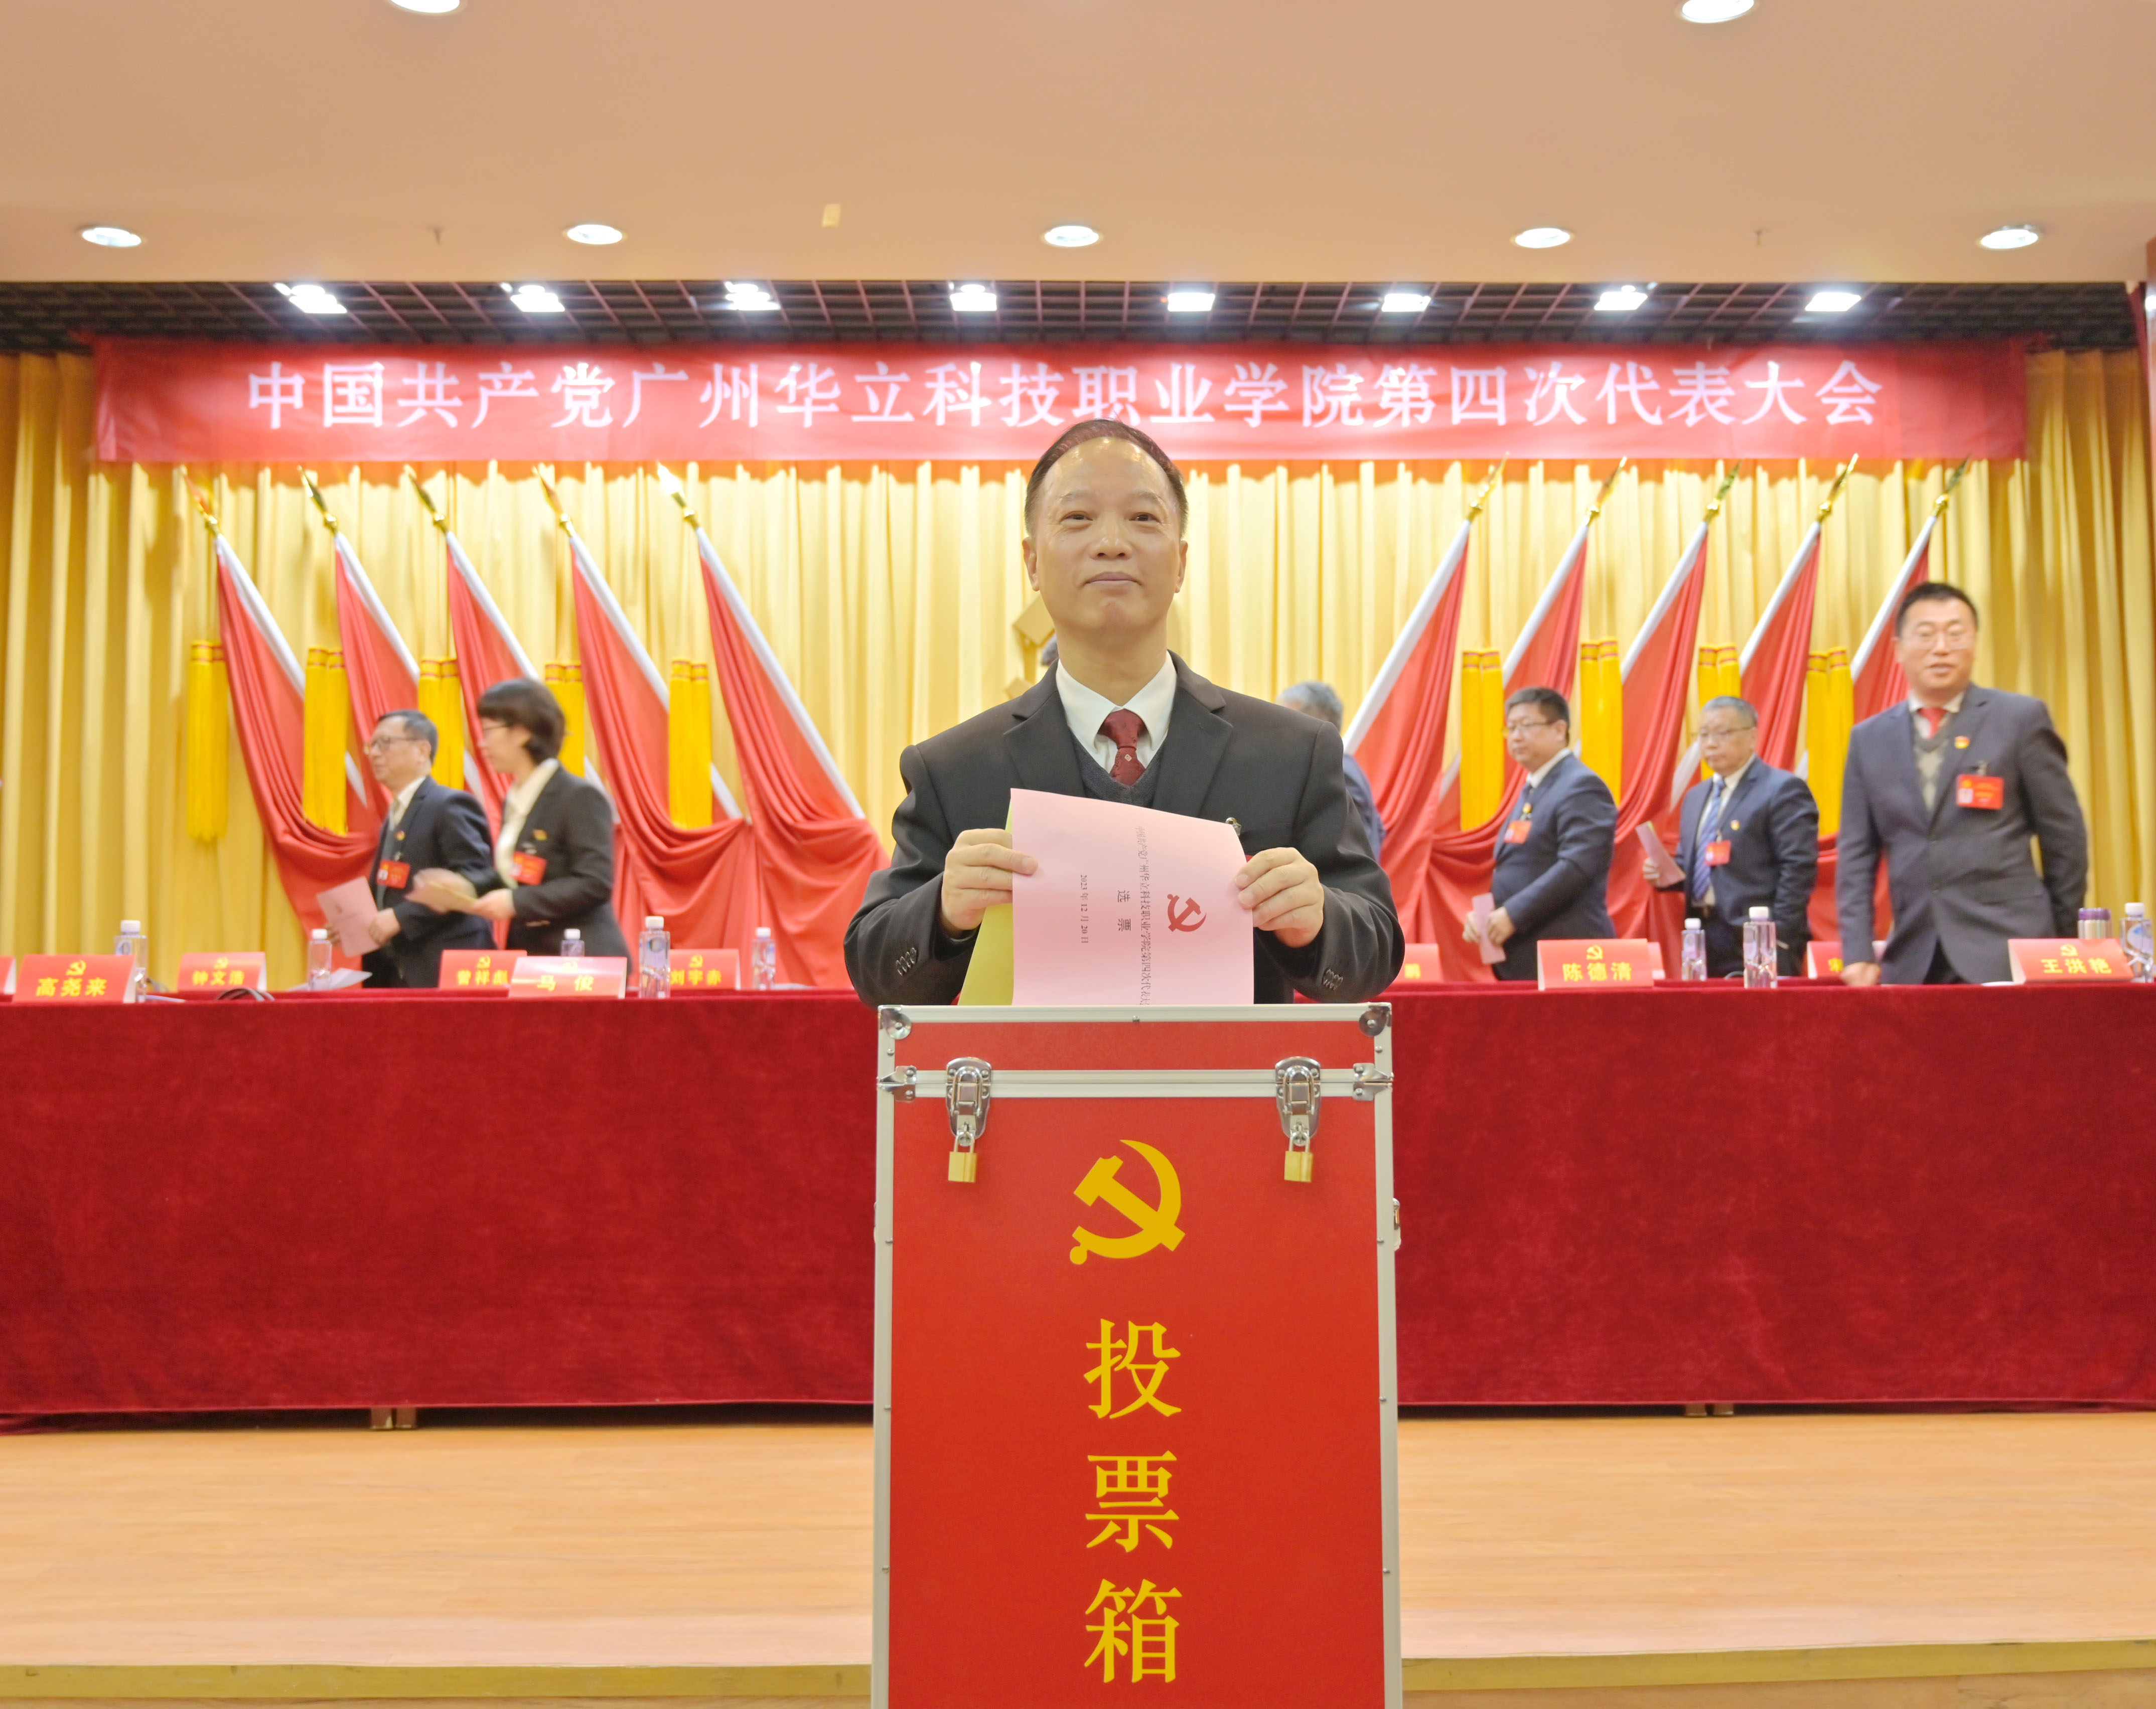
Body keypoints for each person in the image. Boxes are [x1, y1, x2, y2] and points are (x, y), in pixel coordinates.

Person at [844, 419, 1402, 1005]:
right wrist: (942, 913)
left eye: (1142, 517)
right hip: (1030, 1071)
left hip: (1234, 1069)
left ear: (1181, 562)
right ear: (1031, 562)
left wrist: (1316, 922)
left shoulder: (1291, 752)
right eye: (1077, 517)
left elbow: (1373, 948)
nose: (1111, 542)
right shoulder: (954, 767)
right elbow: (876, 970)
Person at [1837, 582, 2086, 986]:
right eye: (1925, 634)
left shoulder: (2019, 720)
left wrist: (2059, 940)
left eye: (1955, 634)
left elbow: (2064, 837)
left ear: (1974, 644)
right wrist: (1857, 951)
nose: (1941, 648)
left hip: (2010, 951)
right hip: (1914, 958)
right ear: (1898, 649)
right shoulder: (1869, 739)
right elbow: (1855, 854)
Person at [418, 678, 630, 960]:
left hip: (580, 956)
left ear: (521, 733)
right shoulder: (517, 798)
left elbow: (594, 883)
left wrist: (515, 902)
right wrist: (465, 886)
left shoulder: (578, 796)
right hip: (533, 954)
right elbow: (516, 875)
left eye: (489, 731)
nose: (482, 743)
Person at [1644, 695, 1818, 978]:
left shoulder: (1782, 790)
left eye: (1722, 733)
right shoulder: (1696, 797)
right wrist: (1665, 874)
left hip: (1758, 937)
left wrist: (1779, 935)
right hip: (1702, 938)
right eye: (1703, 735)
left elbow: (1798, 869)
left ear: (1752, 737)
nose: (1711, 744)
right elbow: (1696, 867)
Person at [1466, 687, 1616, 982]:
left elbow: (1578, 866)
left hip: (1566, 953)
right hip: (1526, 952)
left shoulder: (1581, 786)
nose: (1516, 737)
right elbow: (1523, 864)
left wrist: (1513, 914)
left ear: (1559, 730)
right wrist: (1489, 915)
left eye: (1526, 726)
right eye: (1511, 728)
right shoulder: (1534, 787)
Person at [358, 710, 496, 988]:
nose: (374, 754)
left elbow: (477, 879)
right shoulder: (395, 814)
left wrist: (402, 917)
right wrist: (356, 923)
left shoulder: (449, 805)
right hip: (396, 969)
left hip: (443, 966)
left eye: (385, 743)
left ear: (422, 750)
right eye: (372, 745)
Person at [1278, 680, 1384, 858]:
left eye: (1289, 721)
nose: (1281, 732)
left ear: (1321, 723)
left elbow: (1355, 848)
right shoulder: (1342, 764)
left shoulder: (1337, 771)